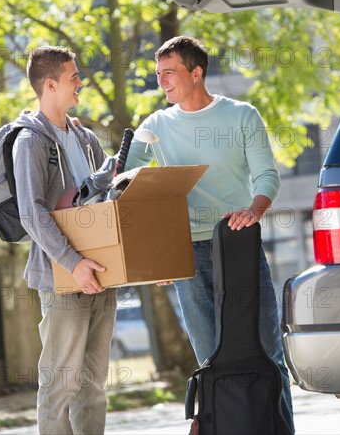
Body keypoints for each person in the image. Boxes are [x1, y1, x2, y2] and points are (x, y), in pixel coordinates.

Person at [124, 36, 295, 432]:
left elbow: (267, 175)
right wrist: (156, 255)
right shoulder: (155, 127)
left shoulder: (242, 115)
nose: (161, 81)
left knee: (267, 349)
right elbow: (126, 187)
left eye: (169, 72)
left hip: (237, 245)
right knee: (209, 358)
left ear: (196, 72)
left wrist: (254, 209)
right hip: (185, 252)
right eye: (157, 74)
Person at [13, 46, 117, 435]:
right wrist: (73, 262)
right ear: (51, 84)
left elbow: (108, 204)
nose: (81, 84)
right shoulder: (31, 141)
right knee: (61, 385)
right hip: (63, 277)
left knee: (92, 387)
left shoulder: (86, 138)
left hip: (102, 274)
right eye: (74, 77)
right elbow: (32, 213)